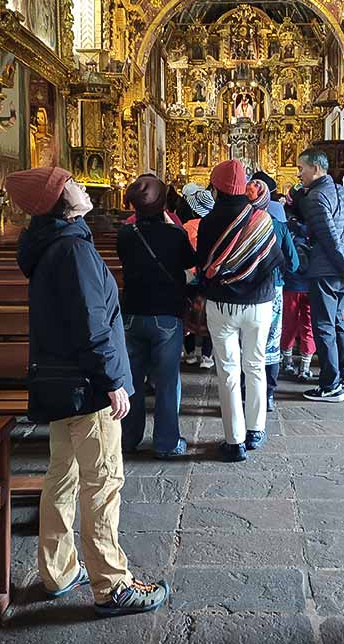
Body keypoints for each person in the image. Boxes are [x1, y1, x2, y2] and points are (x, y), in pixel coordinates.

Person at [5, 166, 169, 618]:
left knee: (62, 477)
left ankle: (57, 570)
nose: (81, 186)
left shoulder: (49, 244)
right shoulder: (73, 249)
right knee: (103, 481)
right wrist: (114, 379)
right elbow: (93, 322)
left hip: (61, 381)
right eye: (71, 182)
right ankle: (112, 585)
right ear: (61, 199)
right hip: (87, 385)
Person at [196, 159, 284, 462]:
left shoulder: (208, 222)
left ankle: (234, 441)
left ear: (217, 187)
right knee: (256, 365)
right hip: (259, 303)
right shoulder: (261, 219)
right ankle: (256, 430)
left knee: (229, 372)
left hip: (221, 304)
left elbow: (203, 266)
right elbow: (274, 261)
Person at [116, 175, 196, 458]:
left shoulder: (125, 234)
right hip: (166, 314)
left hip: (132, 313)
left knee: (132, 379)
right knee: (166, 381)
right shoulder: (175, 234)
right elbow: (189, 262)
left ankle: (128, 438)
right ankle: (165, 442)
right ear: (163, 203)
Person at [297, 148, 344, 402]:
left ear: (315, 168)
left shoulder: (315, 197)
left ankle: (330, 385)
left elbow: (329, 240)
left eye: (301, 168)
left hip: (326, 272)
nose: (299, 174)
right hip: (341, 273)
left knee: (324, 326)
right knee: (337, 323)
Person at [246, 178, 298, 411]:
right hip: (274, 288)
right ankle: (268, 394)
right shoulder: (279, 225)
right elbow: (294, 263)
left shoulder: (240, 224)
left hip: (246, 290)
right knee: (271, 342)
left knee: (248, 341)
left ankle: (248, 392)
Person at [281, 186, 316, 381]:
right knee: (309, 323)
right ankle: (305, 365)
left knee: (289, 322)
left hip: (292, 283)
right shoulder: (316, 226)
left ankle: (287, 361)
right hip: (311, 282)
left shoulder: (287, 226)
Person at [182, 186, 216, 368]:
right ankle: (207, 356)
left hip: (189, 277)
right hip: (207, 277)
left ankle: (189, 354)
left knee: (189, 313)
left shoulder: (187, 226)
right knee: (208, 315)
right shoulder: (213, 225)